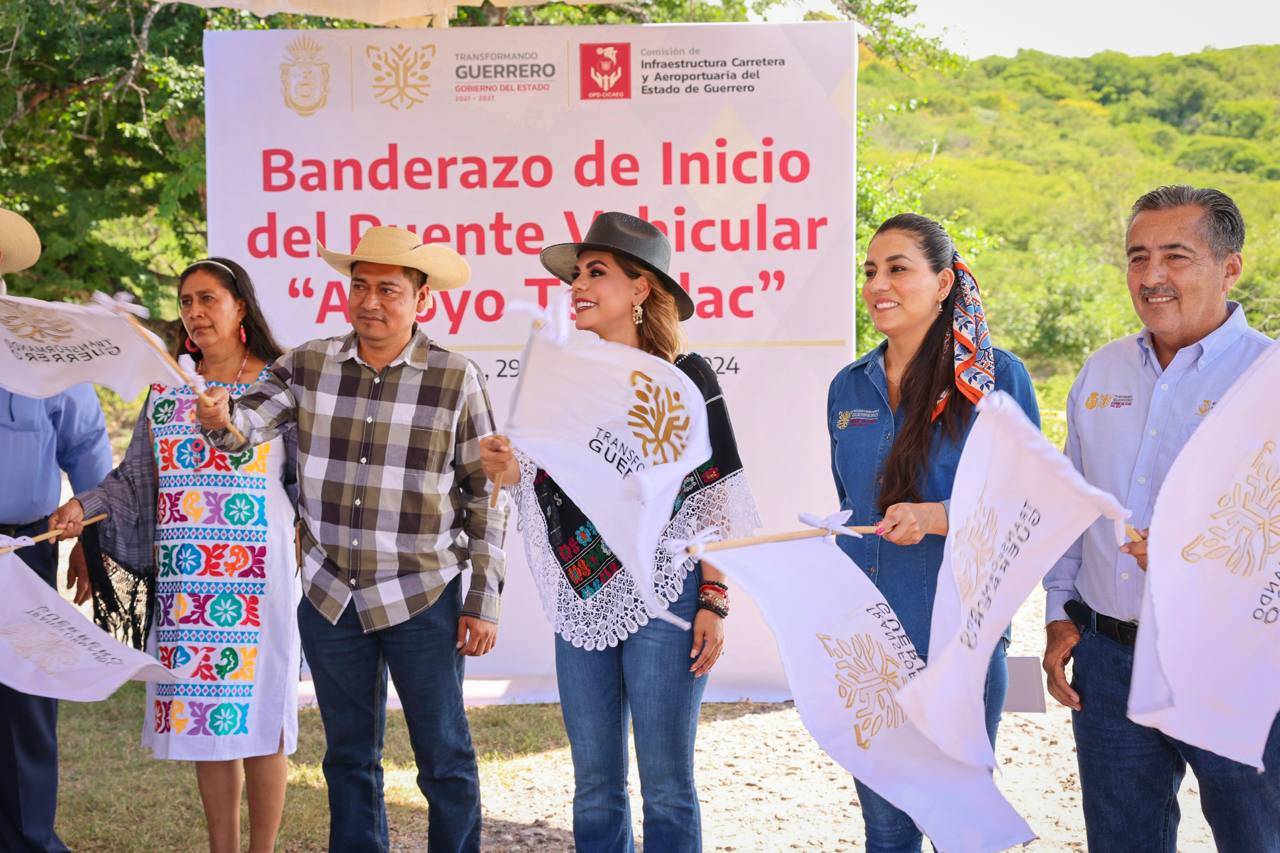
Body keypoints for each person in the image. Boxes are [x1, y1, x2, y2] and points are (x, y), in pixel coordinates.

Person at [194, 226, 506, 853]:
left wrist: (483, 599)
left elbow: (486, 494)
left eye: (388, 290)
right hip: (330, 595)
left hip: (423, 595)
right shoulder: (307, 364)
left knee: (444, 759)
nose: (370, 302)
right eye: (359, 286)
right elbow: (243, 429)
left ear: (422, 299)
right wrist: (219, 417)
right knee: (347, 759)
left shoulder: (457, 378)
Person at [480, 212, 759, 852]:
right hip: (584, 595)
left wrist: (715, 599)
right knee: (595, 786)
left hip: (669, 596)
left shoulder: (685, 378)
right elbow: (542, 477)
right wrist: (508, 465)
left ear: (640, 288)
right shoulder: (558, 375)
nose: (577, 285)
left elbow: (714, 495)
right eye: (576, 274)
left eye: (595, 272)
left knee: (667, 785)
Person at [1042, 185, 1279, 851]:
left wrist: (1199, 557)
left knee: (1256, 838)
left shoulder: (1269, 379)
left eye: (1176, 256)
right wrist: (1059, 612)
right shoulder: (1102, 369)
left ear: (1230, 268)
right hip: (1108, 659)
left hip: (1236, 662)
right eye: (1137, 257)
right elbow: (1073, 505)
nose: (1151, 276)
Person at [49, 257, 299, 853]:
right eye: (187, 301)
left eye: (208, 298)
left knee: (262, 718)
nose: (195, 311)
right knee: (207, 720)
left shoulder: (280, 383)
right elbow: (133, 480)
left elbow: (312, 478)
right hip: (187, 577)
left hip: (257, 575)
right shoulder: (166, 388)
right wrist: (81, 506)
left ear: (241, 307)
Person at [827, 213, 1040, 853]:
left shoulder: (996, 379)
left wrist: (937, 517)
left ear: (944, 283)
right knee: (886, 830)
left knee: (959, 827)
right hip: (867, 645)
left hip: (959, 641)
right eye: (871, 270)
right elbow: (849, 504)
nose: (877, 285)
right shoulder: (847, 386)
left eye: (898, 269)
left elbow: (1028, 503)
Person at [0, 206, 113, 852]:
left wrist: (92, 539)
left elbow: (87, 444)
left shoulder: (42, 340)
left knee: (25, 703)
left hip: (24, 547)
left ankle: (30, 841)